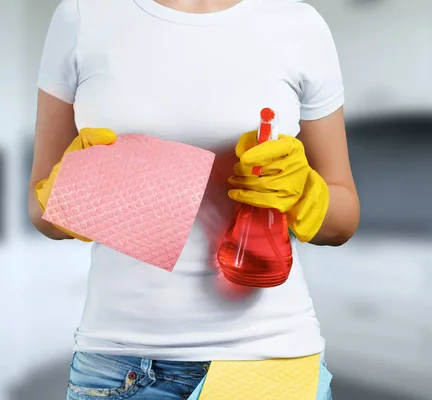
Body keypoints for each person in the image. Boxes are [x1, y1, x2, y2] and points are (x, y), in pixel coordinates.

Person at [28, 0, 360, 398]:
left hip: (268, 361)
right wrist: (76, 193)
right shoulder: (83, 16)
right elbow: (39, 208)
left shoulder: (297, 24)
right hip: (118, 365)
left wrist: (305, 193)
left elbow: (344, 219)